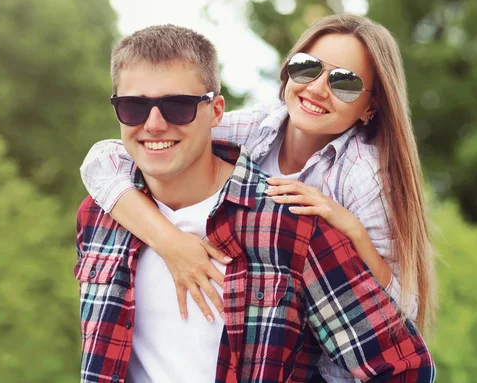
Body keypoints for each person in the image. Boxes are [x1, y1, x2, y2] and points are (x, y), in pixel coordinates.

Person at [75, 24, 435, 382]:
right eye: (307, 68)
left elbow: (400, 324)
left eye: (344, 82)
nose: (317, 89)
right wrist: (170, 242)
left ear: (370, 106)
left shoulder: (353, 184)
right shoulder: (254, 127)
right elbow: (105, 159)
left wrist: (351, 230)